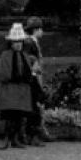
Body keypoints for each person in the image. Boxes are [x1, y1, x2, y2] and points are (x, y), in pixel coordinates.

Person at [0, 23, 38, 150]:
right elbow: (4, 74)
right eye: (15, 42)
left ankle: (15, 139)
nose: (18, 44)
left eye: (20, 42)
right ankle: (7, 138)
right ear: (11, 43)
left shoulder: (25, 55)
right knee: (10, 116)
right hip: (11, 89)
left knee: (19, 116)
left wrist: (30, 74)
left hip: (22, 90)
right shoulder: (6, 55)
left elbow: (27, 72)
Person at [23, 16, 53, 144]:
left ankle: (38, 131)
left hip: (35, 76)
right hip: (32, 77)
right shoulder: (29, 42)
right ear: (35, 30)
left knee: (36, 105)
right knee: (34, 106)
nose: (42, 32)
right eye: (41, 29)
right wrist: (35, 64)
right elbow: (28, 59)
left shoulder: (32, 41)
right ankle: (33, 134)